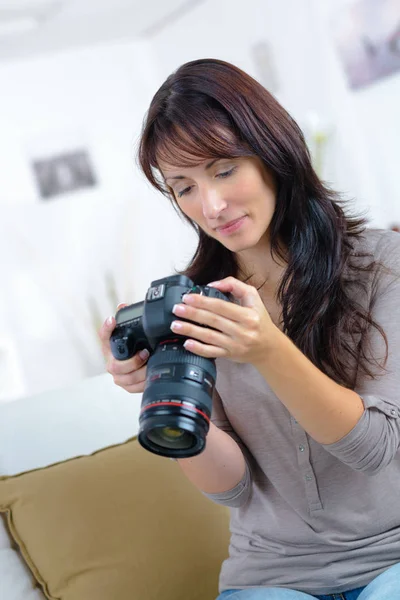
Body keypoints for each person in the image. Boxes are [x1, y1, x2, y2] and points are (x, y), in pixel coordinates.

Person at [99, 59, 400, 600]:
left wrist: (266, 349)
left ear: (272, 151)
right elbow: (233, 487)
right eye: (184, 187)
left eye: (223, 169)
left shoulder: (383, 266)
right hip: (272, 574)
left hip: (391, 554)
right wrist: (171, 404)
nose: (210, 206)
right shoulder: (193, 303)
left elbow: (374, 449)